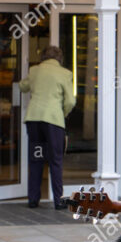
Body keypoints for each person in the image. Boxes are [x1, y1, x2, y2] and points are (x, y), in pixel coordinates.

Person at [19, 46, 75, 209]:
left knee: (36, 159)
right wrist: (62, 113)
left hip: (34, 119)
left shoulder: (35, 70)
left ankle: (33, 199)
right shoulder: (65, 74)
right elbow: (71, 101)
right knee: (55, 160)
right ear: (60, 58)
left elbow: (23, 87)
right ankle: (58, 200)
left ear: (43, 57)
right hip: (53, 121)